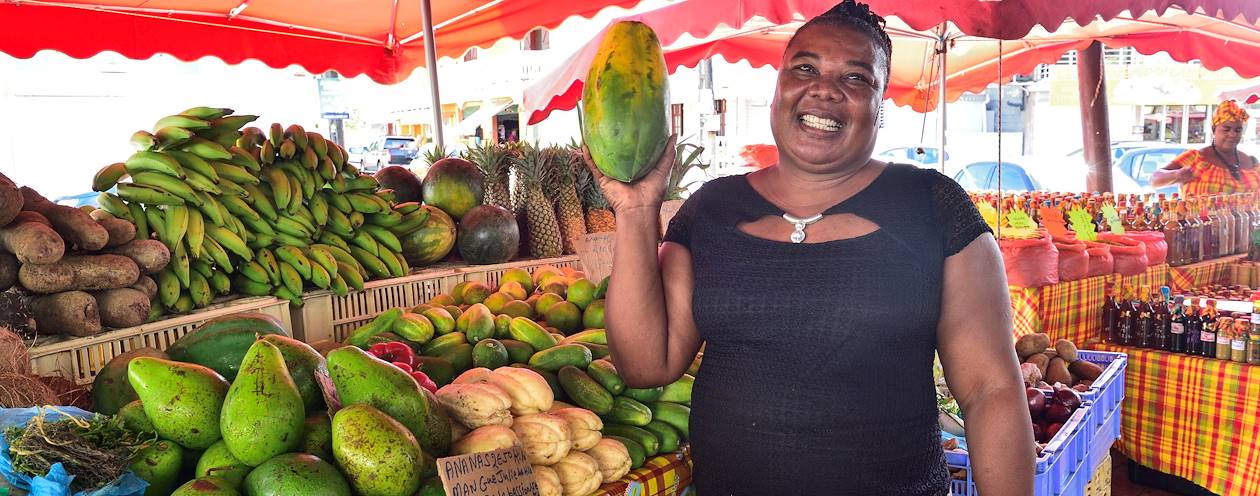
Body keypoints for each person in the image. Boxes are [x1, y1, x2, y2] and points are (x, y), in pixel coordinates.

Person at [583, 1, 1034, 494]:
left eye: (856, 77)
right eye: (805, 68)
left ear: (880, 105)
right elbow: (646, 365)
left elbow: (990, 392)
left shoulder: (932, 205)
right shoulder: (710, 209)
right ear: (778, 88)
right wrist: (636, 210)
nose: (824, 88)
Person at [1151, 100, 1259, 195]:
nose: (1232, 134)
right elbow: (1154, 180)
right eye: (1226, 129)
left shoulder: (1251, 162)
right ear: (1214, 129)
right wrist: (1177, 175)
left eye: (1238, 130)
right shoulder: (1195, 158)